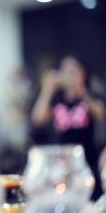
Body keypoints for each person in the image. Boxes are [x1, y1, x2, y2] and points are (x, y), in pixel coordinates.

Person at [30, 55, 106, 201]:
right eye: (64, 71)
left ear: (83, 73)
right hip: (61, 163)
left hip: (87, 162)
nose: (68, 75)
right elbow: (37, 120)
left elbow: (100, 114)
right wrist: (47, 90)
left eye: (73, 71)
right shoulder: (56, 99)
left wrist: (82, 92)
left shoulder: (90, 96)